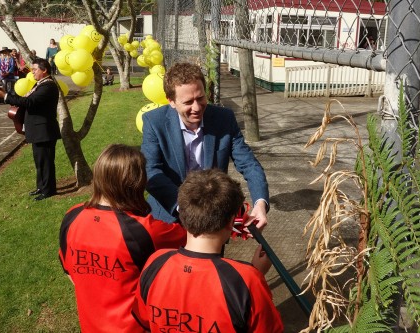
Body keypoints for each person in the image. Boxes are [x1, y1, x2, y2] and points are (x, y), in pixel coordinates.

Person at [132, 169, 284, 333]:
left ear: (182, 213)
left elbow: (144, 318)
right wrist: (256, 274)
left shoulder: (155, 263)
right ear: (232, 222)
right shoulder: (247, 280)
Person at [58, 144, 186, 332]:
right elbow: (193, 236)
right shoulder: (145, 230)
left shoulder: (72, 217)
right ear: (137, 182)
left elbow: (70, 272)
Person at [141, 62, 270, 228]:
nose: (196, 107)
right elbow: (150, 171)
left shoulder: (224, 119)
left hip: (214, 220)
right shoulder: (154, 122)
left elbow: (249, 164)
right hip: (169, 218)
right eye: (188, 102)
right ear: (171, 101)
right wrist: (184, 208)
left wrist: (260, 203)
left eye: (201, 98)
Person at [0, 58, 61, 201]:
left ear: (44, 70)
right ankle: (41, 186)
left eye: (35, 69)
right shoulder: (39, 84)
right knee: (39, 161)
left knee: (46, 162)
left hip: (45, 130)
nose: (33, 72)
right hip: (38, 130)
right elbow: (25, 99)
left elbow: (29, 102)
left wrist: (5, 96)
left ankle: (48, 190)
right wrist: (7, 93)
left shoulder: (48, 87)